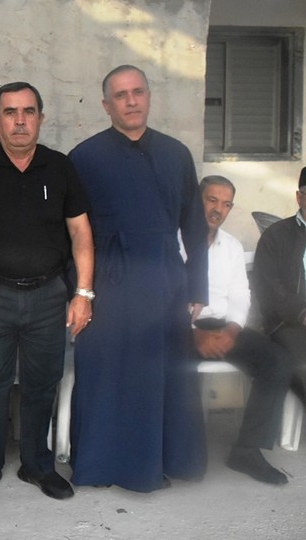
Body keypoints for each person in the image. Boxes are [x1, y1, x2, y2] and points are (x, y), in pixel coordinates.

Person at [0, 82, 93, 502]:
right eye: (10, 112)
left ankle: (37, 465)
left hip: (49, 295)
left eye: (28, 111)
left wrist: (83, 293)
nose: (19, 121)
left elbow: (80, 232)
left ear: (41, 118)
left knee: (42, 383)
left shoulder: (60, 167)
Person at [68, 64, 208, 492]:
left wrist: (197, 286)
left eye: (138, 92)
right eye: (121, 95)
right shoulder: (83, 157)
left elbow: (195, 227)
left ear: (148, 97)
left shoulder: (176, 153)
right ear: (106, 105)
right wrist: (79, 292)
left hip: (165, 279)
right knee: (108, 374)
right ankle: (105, 464)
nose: (131, 101)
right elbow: (72, 232)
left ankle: (168, 459)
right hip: (109, 280)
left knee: (163, 372)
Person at [194, 176, 289, 484]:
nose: (218, 209)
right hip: (179, 327)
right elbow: (161, 296)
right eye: (212, 200)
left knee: (277, 361)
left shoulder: (232, 247)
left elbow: (240, 295)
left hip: (223, 326)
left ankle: (246, 451)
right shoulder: (173, 242)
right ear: (197, 199)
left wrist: (232, 331)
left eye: (226, 204)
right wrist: (194, 333)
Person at [253, 167, 306, 431]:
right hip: (288, 323)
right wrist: (301, 313)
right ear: (299, 197)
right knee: (302, 366)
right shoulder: (276, 235)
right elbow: (268, 287)